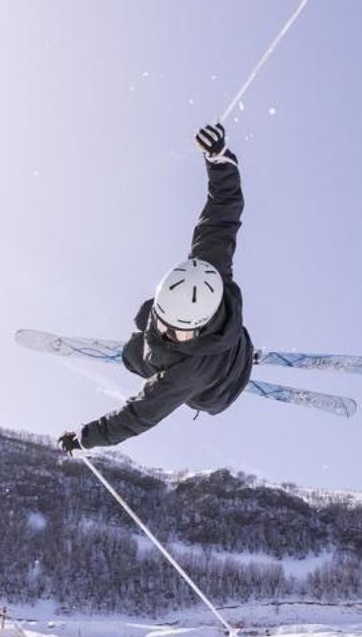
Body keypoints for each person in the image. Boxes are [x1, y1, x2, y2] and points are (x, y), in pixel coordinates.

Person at [58, 124, 255, 452]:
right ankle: (153, 338)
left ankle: (133, 355)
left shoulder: (184, 375)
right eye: (166, 322)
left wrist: (84, 438)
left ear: (198, 327)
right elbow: (222, 214)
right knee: (144, 320)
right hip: (235, 342)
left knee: (138, 354)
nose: (166, 331)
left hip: (215, 392)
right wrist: (219, 159)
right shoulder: (209, 268)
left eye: (177, 330)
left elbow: (138, 415)